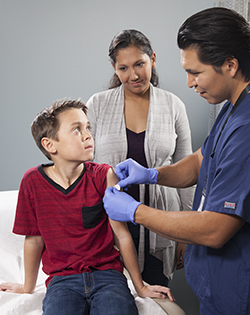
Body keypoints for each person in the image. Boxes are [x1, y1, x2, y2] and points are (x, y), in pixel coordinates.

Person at [103, 7, 250, 315]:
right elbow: (202, 160)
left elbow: (215, 229)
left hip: (247, 292)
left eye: (196, 72)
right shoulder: (239, 101)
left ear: (230, 65)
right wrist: (153, 174)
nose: (190, 83)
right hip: (221, 286)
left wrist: (135, 211)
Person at [0, 99, 174, 315]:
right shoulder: (32, 182)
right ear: (50, 145)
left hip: (108, 276)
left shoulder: (103, 175)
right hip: (62, 280)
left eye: (88, 127)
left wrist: (140, 286)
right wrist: (27, 287)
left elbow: (122, 235)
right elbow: (34, 239)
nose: (88, 135)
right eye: (76, 129)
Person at [86, 29, 194, 286]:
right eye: (123, 68)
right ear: (114, 68)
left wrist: (185, 234)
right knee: (113, 299)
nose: (133, 75)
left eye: (139, 64)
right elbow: (83, 168)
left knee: (155, 298)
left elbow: (188, 172)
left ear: (153, 59)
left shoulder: (173, 105)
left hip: (162, 222)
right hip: (110, 224)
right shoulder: (97, 106)